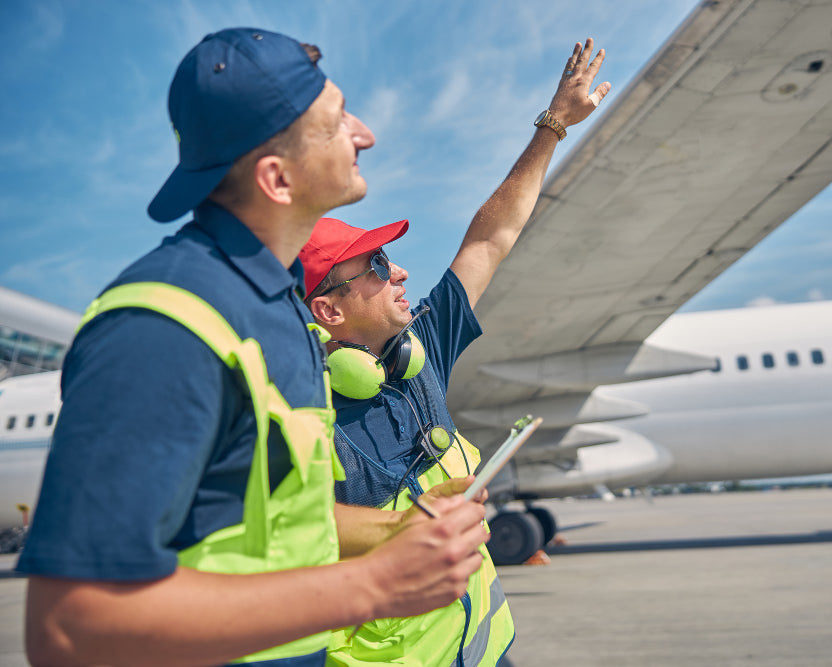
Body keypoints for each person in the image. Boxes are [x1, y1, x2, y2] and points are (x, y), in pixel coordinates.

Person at [17, 28, 489, 666]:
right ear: (277, 178)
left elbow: (268, 527)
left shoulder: (279, 316)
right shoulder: (164, 325)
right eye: (335, 121)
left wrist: (399, 526)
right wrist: (373, 585)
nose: (365, 132)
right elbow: (72, 627)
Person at [299, 38, 610, 666]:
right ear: (328, 310)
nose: (400, 273)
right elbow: (293, 540)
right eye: (378, 265)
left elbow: (490, 239)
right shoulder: (301, 409)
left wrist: (553, 127)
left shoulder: (418, 351)